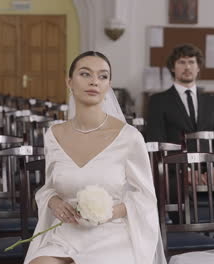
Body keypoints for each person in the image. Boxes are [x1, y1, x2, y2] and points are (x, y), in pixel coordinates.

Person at [25, 51, 166, 264]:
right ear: (69, 81)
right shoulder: (54, 135)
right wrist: (54, 202)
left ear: (109, 85)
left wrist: (107, 213)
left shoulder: (129, 137)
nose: (94, 82)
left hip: (112, 235)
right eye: (85, 74)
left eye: (102, 76)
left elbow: (144, 198)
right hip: (66, 234)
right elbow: (49, 187)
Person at [145, 43, 214, 151]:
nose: (187, 67)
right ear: (173, 67)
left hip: (209, 165)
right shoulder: (158, 101)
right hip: (176, 165)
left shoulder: (213, 102)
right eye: (182, 62)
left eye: (191, 62)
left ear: (198, 68)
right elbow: (156, 141)